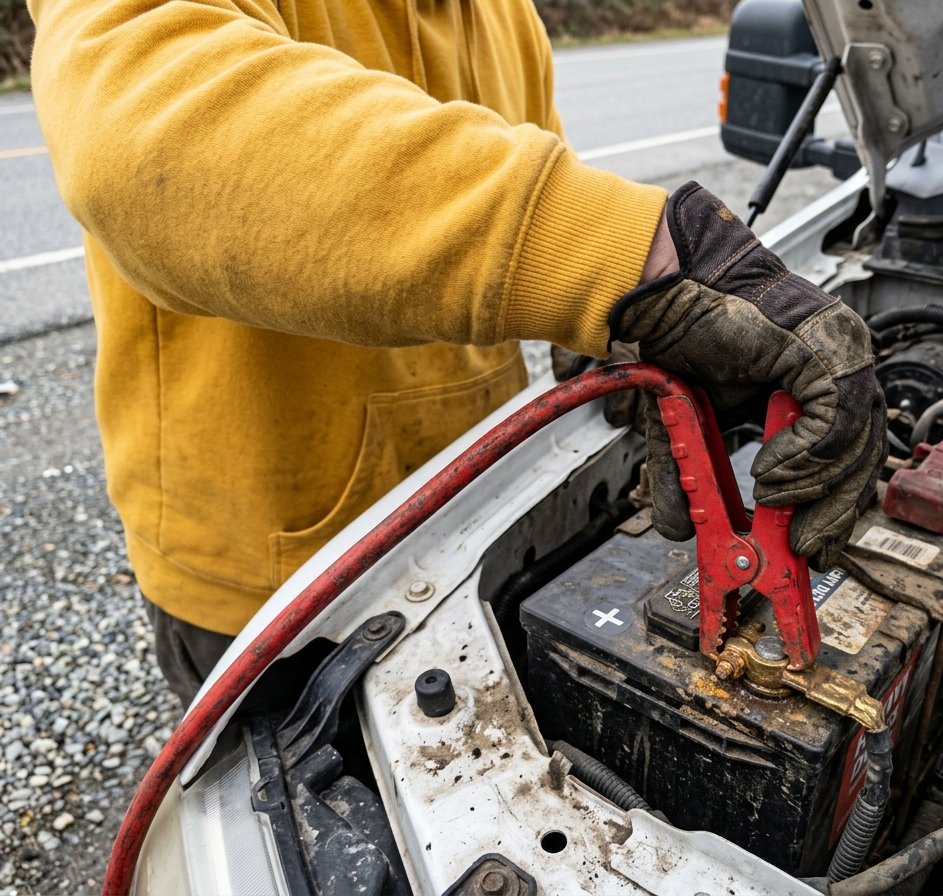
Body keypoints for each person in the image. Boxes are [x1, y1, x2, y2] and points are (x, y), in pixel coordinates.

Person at [28, 0, 885, 704]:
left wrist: (616, 340)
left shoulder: (503, 15)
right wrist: (649, 254)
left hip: (476, 514)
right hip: (279, 577)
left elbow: (524, 234)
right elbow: (147, 145)